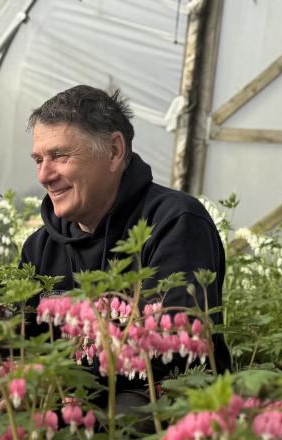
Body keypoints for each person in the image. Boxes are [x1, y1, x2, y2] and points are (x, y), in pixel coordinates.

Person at [21, 85, 230, 412]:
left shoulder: (174, 223)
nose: (44, 175)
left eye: (60, 156)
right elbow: (22, 341)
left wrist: (61, 382)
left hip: (160, 403)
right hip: (63, 400)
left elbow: (171, 353)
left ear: (114, 151)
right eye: (38, 159)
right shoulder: (40, 247)